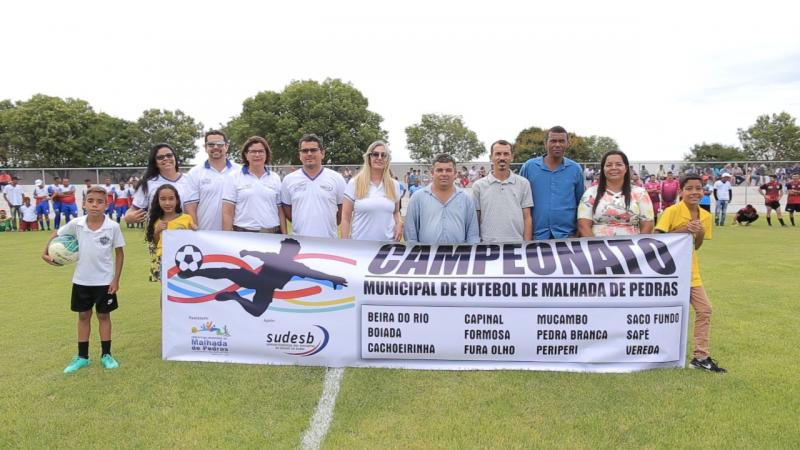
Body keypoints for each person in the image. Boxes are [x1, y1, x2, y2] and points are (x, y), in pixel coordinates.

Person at [42, 186, 125, 373]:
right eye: (91, 201)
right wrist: (45, 251)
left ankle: (106, 355)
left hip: (104, 281)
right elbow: (57, 233)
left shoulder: (113, 227)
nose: (95, 205)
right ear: (84, 203)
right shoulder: (77, 223)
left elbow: (119, 254)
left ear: (107, 204)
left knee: (104, 315)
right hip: (81, 280)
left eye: (100, 201)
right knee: (83, 316)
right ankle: (82, 357)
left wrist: (116, 280)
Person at [656, 175, 726, 373]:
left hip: (691, 270)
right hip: (668, 272)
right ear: (681, 192)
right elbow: (657, 240)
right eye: (689, 188)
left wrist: (700, 233)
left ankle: (700, 357)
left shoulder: (705, 216)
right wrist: (683, 229)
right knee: (664, 314)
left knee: (705, 310)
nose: (694, 192)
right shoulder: (672, 211)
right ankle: (656, 354)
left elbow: (696, 245)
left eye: (698, 188)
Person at [179, 238, 347, 317]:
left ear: (295, 253)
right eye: (285, 249)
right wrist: (247, 252)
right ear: (282, 249)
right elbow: (259, 253)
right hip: (253, 279)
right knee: (227, 271)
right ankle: (192, 272)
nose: (286, 252)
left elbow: (315, 274)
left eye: (291, 250)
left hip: (267, 289)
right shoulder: (273, 256)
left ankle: (234, 296)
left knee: (257, 312)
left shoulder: (296, 266)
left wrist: (333, 278)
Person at [519, 125, 585, 239]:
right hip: (535, 235)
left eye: (561, 141)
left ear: (567, 144)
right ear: (545, 143)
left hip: (567, 236)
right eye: (553, 141)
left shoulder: (575, 169)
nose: (557, 145)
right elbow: (519, 200)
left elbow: (581, 204)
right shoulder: (529, 167)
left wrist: (578, 232)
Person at [404, 153, 479, 244]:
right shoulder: (417, 198)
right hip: (426, 256)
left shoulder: (466, 199)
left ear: (455, 173)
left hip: (458, 256)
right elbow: (410, 234)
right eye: (439, 170)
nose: (444, 174)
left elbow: (473, 234)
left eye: (448, 170)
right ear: (432, 173)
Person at [281, 133, 346, 238]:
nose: (309, 153)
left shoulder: (337, 178)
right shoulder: (288, 180)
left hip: (329, 242)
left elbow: (341, 213)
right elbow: (288, 212)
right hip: (299, 243)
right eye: (305, 151)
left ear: (322, 153)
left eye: (314, 150)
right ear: (300, 155)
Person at [577, 150, 654, 237]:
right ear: (603, 169)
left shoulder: (640, 193)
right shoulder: (590, 193)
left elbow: (647, 226)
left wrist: (638, 248)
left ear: (626, 168)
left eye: (619, 164)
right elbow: (583, 226)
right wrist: (595, 248)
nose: (613, 167)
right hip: (597, 248)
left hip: (633, 248)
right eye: (609, 165)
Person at [472, 139, 533, 242]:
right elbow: (476, 219)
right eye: (498, 154)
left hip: (517, 244)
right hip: (487, 246)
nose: (502, 158)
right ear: (491, 157)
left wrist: (526, 245)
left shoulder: (524, 183)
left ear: (512, 157)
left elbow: (527, 218)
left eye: (506, 154)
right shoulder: (478, 186)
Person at [222, 136, 286, 234]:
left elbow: (280, 211)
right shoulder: (233, 177)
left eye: (261, 151)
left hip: (273, 234)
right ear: (246, 155)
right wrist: (227, 237)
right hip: (244, 235)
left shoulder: (275, 178)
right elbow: (227, 211)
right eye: (253, 151)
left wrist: (285, 235)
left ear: (266, 154)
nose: (257, 155)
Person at [341, 140, 402, 241]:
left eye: (383, 155)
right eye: (375, 154)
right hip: (360, 247)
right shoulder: (354, 183)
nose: (379, 158)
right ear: (369, 158)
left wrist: (399, 223)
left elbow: (396, 212)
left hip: (386, 248)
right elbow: (345, 217)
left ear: (387, 159)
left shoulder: (394, 185)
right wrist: (344, 243)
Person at [125, 143, 194, 226]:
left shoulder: (191, 179)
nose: (166, 159)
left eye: (169, 155)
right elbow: (134, 209)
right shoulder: (148, 184)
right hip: (160, 234)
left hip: (188, 232)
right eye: (160, 157)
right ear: (155, 162)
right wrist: (128, 217)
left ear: (174, 158)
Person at [184, 130, 240, 231]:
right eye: (211, 144)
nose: (215, 147)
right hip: (206, 233)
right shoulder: (195, 173)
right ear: (205, 147)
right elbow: (190, 207)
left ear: (226, 147)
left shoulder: (240, 171)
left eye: (220, 144)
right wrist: (196, 233)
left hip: (235, 234)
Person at [145, 184, 196, 282]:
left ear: (177, 200)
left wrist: (195, 231)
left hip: (183, 261)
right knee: (166, 293)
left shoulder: (186, 218)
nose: (167, 203)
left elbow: (193, 241)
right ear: (158, 201)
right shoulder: (156, 221)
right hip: (164, 260)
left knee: (182, 291)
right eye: (163, 199)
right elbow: (156, 244)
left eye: (171, 198)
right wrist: (157, 231)